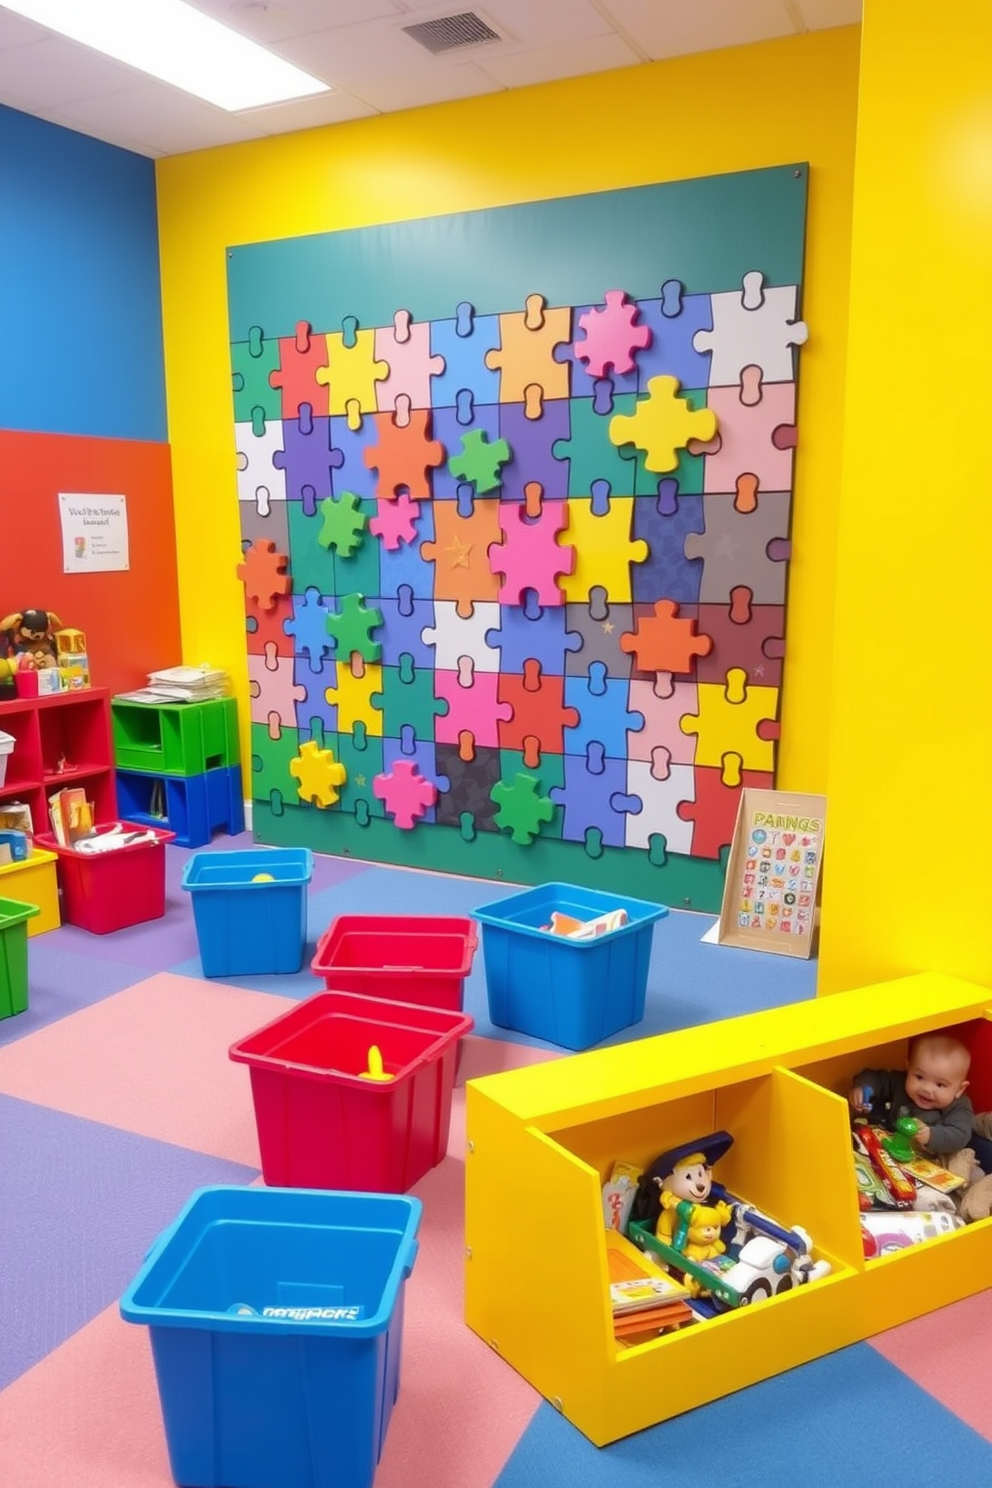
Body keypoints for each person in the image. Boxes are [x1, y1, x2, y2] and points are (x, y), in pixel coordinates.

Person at [848, 1032, 992, 1171]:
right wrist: (863, 1089)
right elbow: (876, 1077)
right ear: (908, 1068)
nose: (926, 1089)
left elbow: (960, 1135)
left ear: (960, 1089)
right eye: (919, 1077)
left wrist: (930, 1135)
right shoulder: (900, 1082)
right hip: (891, 1150)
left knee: (970, 1170)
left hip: (931, 1161)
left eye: (940, 1085)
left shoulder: (959, 1106)